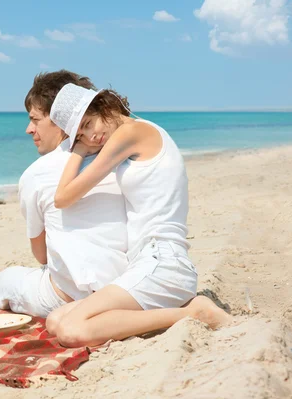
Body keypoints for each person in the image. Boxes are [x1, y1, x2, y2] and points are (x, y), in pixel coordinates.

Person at [45, 83, 231, 347]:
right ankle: (185, 308)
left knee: (71, 331)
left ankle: (192, 313)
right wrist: (82, 142)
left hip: (163, 262)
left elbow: (62, 197)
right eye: (81, 135)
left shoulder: (132, 132)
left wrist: (77, 151)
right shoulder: (138, 133)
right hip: (145, 263)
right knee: (55, 320)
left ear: (105, 106)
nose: (90, 137)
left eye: (89, 123)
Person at [0, 70, 129, 317]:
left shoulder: (37, 174)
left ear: (62, 120)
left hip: (72, 299)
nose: (28, 129)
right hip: (131, 288)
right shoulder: (122, 157)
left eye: (35, 119)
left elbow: (42, 255)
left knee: (10, 280)